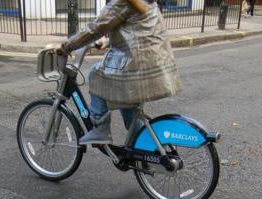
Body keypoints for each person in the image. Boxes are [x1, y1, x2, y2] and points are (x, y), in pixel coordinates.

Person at [57, 0, 181, 145]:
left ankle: (100, 127)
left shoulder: (123, 2)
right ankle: (147, 154)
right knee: (130, 115)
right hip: (155, 65)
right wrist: (108, 41)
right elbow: (138, 33)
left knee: (95, 73)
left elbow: (95, 28)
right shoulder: (145, 2)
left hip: (139, 67)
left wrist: (66, 47)